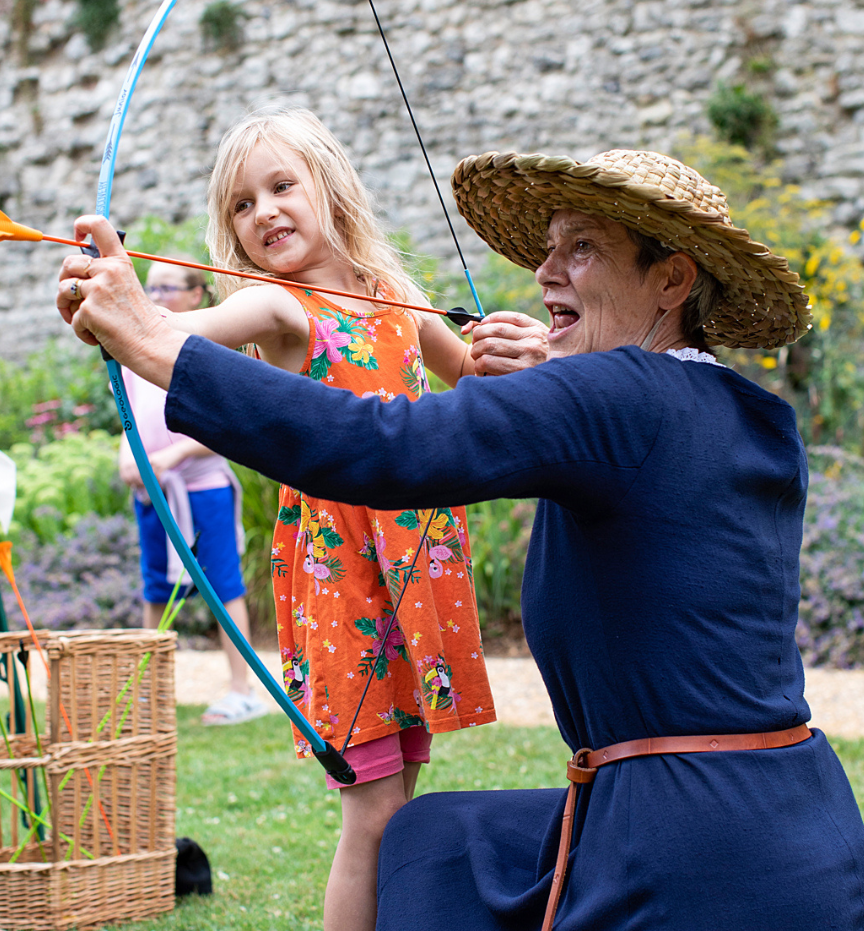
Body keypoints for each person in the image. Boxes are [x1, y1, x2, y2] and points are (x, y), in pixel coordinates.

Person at [58, 146, 864, 931]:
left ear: (672, 278)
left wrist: (156, 340)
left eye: (583, 249)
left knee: (429, 852)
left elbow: (387, 446)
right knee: (435, 838)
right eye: (549, 249)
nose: (547, 272)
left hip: (691, 856)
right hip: (799, 835)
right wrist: (552, 384)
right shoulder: (745, 413)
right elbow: (621, 452)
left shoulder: (611, 399)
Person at [110, 106, 546, 931]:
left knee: (402, 797)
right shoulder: (279, 308)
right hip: (341, 578)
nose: (265, 210)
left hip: (412, 570)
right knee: (374, 810)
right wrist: (118, 301)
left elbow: (477, 387)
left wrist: (518, 350)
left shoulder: (393, 296)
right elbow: (172, 335)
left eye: (282, 186)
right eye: (243, 203)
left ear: (331, 188)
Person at [118, 258, 267, 725]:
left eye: (169, 288)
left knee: (223, 585)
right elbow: (130, 414)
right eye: (152, 289)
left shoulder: (206, 352)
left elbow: (227, 427)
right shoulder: (136, 355)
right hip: (154, 494)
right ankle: (148, 692)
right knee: (156, 587)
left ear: (197, 295)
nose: (158, 298)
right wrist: (130, 457)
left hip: (202, 490)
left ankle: (242, 691)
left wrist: (174, 457)